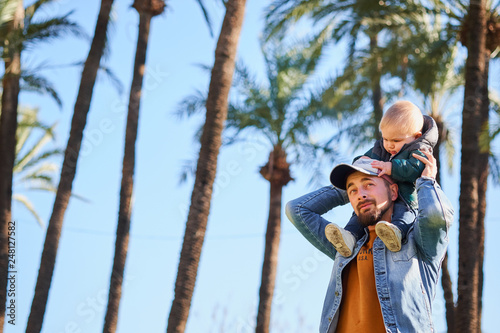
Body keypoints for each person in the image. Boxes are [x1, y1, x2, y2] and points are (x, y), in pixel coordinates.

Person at [285, 151, 454, 333]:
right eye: (353, 191)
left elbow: (437, 216)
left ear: (393, 191)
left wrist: (426, 182)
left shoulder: (416, 241)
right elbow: (297, 210)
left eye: (369, 185)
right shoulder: (345, 245)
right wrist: (348, 185)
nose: (360, 195)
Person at [324, 101, 438, 257]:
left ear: (415, 136)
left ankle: (396, 234)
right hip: (384, 195)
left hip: (406, 198)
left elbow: (415, 168)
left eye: (396, 141)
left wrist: (391, 167)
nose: (389, 145)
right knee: (358, 215)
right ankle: (348, 236)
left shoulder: (419, 149)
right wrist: (360, 161)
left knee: (404, 216)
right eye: (386, 139)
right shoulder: (383, 146)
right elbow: (367, 159)